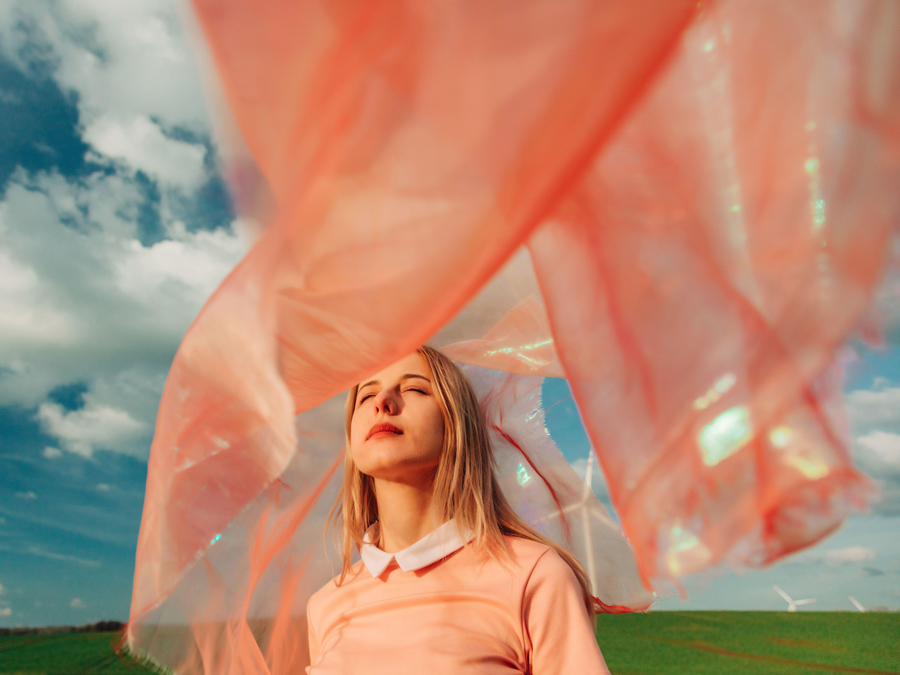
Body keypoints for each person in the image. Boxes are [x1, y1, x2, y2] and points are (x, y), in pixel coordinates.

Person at [305, 346, 610, 674]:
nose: (382, 401)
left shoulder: (535, 576)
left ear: (456, 423)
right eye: (366, 395)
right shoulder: (323, 606)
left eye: (414, 388)